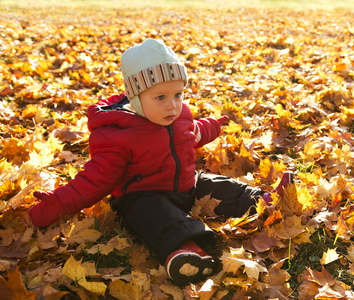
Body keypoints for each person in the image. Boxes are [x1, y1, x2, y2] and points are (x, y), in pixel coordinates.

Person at [29, 39, 293, 286]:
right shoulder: (117, 135)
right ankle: (185, 251)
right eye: (161, 97)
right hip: (143, 195)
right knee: (153, 214)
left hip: (186, 186)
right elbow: (94, 181)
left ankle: (263, 201)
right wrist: (56, 204)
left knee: (217, 185)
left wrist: (214, 126)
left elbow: (194, 132)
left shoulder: (178, 116)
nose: (172, 106)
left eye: (178, 95)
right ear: (136, 98)